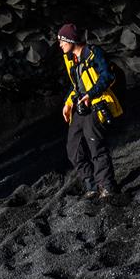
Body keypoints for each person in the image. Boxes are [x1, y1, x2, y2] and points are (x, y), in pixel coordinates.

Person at [56, 24, 124, 199]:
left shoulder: (94, 53)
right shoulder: (72, 60)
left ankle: (107, 187)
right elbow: (76, 86)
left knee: (96, 147)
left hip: (96, 104)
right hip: (80, 107)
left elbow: (107, 76)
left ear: (71, 39)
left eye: (62, 40)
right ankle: (91, 186)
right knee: (73, 149)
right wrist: (68, 103)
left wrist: (90, 94)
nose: (60, 45)